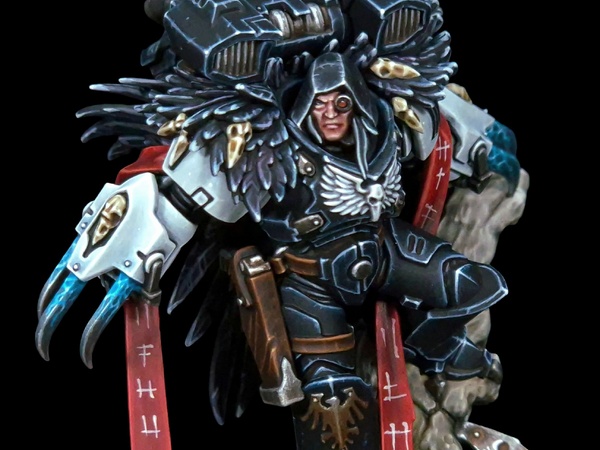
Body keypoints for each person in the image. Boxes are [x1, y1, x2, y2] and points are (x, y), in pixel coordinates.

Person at [35, 1, 529, 449]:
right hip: (309, 283)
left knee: (477, 285)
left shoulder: (390, 121)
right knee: (334, 411)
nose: (331, 115)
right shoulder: (262, 143)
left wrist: (491, 152)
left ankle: (431, 345)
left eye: (341, 104)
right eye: (321, 105)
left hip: (385, 249)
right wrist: (129, 246)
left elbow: (471, 138)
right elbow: (175, 198)